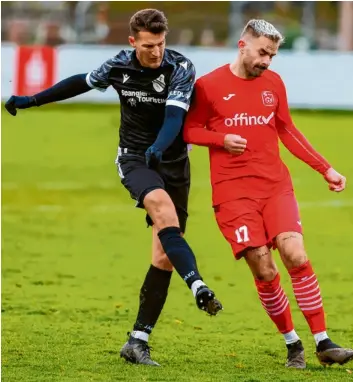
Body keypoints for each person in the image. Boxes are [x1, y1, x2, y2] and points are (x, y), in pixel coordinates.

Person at [5, 8, 222, 367]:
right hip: (135, 159)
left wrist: (160, 147)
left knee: (164, 255)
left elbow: (173, 118)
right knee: (162, 209)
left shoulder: (180, 67)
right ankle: (198, 285)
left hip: (173, 163)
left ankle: (137, 341)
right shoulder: (119, 65)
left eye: (162, 44)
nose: (157, 53)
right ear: (133, 41)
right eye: (149, 45)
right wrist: (30, 100)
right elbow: (80, 82)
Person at [183, 19, 353, 369]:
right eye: (263, 52)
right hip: (233, 195)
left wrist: (326, 168)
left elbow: (287, 130)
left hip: (275, 186)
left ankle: (323, 341)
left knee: (296, 254)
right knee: (263, 269)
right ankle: (293, 344)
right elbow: (189, 129)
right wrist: (220, 140)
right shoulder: (208, 86)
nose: (267, 61)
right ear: (242, 45)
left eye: (273, 55)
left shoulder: (273, 83)